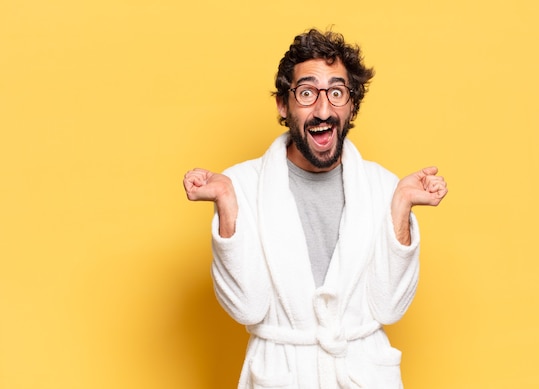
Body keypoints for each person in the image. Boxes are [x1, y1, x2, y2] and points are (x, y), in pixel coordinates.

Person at [183, 29, 448, 389]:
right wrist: (227, 204)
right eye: (307, 93)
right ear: (283, 104)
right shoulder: (241, 186)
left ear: (352, 104)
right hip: (283, 376)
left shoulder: (384, 187)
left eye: (337, 93)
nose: (323, 109)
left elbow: (389, 308)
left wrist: (400, 207)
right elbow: (246, 308)